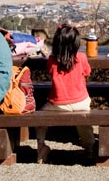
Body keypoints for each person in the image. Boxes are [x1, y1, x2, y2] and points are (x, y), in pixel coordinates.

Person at [34, 24, 95, 164]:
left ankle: (41, 146)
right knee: (85, 125)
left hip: (58, 103)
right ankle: (90, 148)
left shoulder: (52, 60)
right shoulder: (82, 57)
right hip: (81, 101)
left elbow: (50, 71)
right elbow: (87, 72)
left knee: (40, 119)